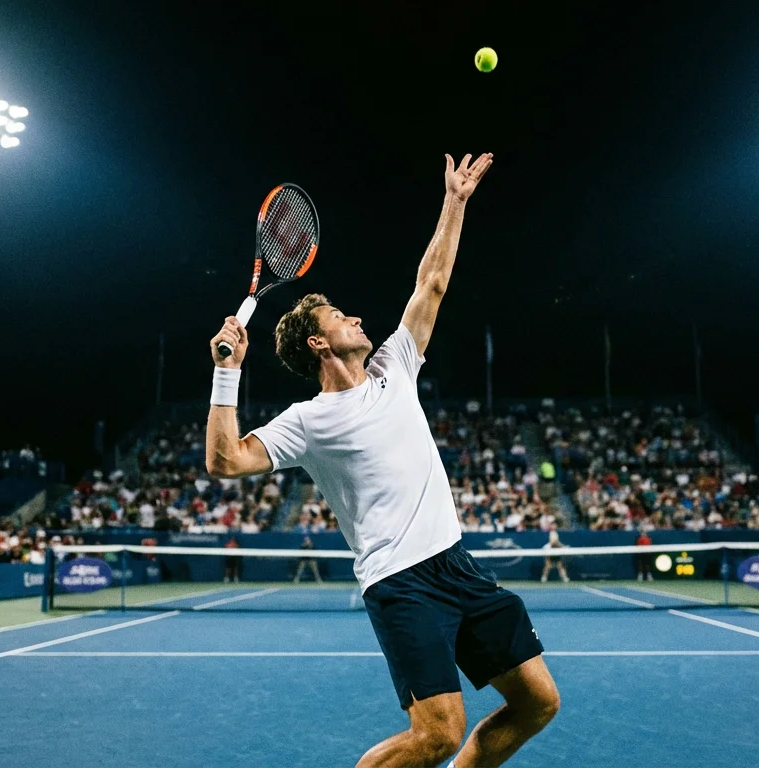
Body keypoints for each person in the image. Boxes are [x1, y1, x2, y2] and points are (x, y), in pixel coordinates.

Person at [206, 152, 558, 768]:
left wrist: (455, 203)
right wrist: (226, 373)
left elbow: (432, 283)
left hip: (458, 564)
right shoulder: (306, 420)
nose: (357, 317)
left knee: (537, 703)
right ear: (319, 342)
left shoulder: (394, 367)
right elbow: (226, 462)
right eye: (340, 316)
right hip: (402, 582)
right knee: (436, 735)